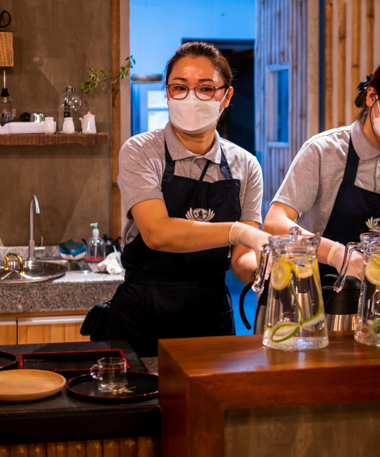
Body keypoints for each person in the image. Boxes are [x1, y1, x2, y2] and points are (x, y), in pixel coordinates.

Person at [98, 42, 268, 356]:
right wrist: (237, 231)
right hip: (142, 317)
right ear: (167, 94)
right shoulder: (141, 151)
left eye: (205, 89)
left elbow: (242, 258)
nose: (191, 97)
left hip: (211, 319)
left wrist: (266, 276)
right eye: (179, 88)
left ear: (226, 96)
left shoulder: (246, 165)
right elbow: (157, 233)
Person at [263, 52, 380, 296]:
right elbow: (274, 222)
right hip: (319, 299)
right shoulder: (324, 150)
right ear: (371, 97)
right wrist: (338, 255)